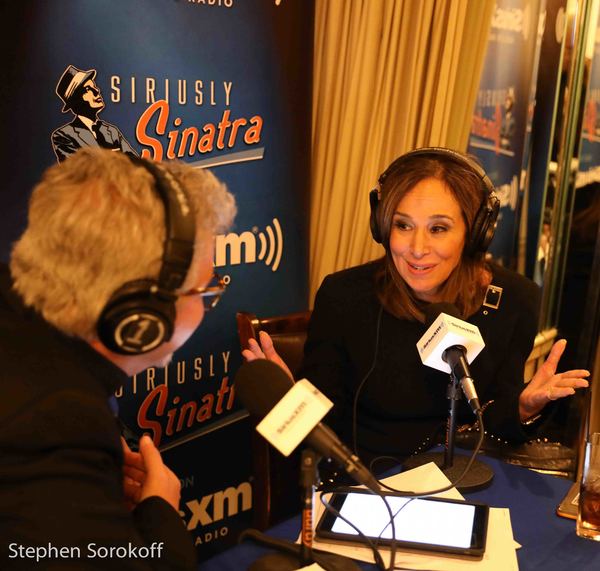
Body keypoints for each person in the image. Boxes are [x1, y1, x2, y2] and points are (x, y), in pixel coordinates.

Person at [243, 147, 590, 471]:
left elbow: (495, 421)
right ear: (382, 226)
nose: (417, 248)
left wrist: (524, 408)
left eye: (438, 228)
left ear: (474, 233)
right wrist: (290, 403)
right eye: (403, 225)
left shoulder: (513, 299)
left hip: (472, 479)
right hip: (372, 484)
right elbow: (320, 439)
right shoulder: (344, 296)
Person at [0, 148, 236, 569]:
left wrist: (91, 489)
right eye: (206, 291)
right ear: (141, 318)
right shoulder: (56, 424)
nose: (208, 302)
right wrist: (159, 510)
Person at [52, 65, 138, 163]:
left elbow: (135, 164)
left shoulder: (111, 131)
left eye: (95, 87)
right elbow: (78, 171)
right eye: (88, 89)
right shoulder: (63, 135)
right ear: (76, 100)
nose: (97, 91)